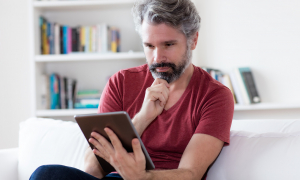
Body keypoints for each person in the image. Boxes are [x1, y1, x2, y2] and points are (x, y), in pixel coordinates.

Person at [30, 0, 234, 180]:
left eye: (168, 44)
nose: (157, 58)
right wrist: (142, 118)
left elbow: (191, 174)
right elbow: (92, 169)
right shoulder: (121, 82)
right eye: (149, 46)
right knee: (46, 174)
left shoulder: (215, 96)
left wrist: (141, 177)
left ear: (193, 40)